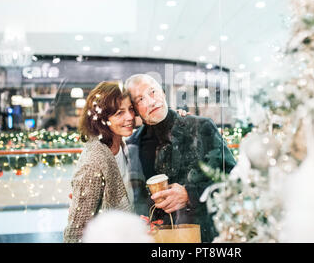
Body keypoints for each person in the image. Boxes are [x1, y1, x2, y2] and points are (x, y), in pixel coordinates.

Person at [125, 74, 236, 243]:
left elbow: (233, 180)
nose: (151, 102)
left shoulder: (200, 128)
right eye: (140, 99)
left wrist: (190, 194)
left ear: (163, 92)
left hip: (204, 237)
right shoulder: (133, 145)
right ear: (135, 109)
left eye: (152, 92)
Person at [63, 81, 135, 243]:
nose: (129, 117)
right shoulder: (94, 161)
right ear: (102, 119)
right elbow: (76, 230)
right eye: (119, 113)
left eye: (131, 109)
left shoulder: (122, 144)